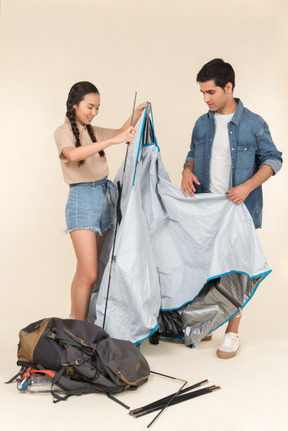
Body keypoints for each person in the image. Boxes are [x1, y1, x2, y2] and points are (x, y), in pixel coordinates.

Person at [181, 59, 283, 359]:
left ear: (229, 87)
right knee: (206, 267)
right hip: (206, 210)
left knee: (237, 270)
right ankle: (207, 324)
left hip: (239, 209)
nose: (206, 99)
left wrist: (247, 186)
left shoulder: (254, 123)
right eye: (202, 92)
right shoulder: (202, 123)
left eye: (210, 92)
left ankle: (232, 333)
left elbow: (273, 160)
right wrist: (187, 171)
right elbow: (190, 155)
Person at [55, 81, 149, 321]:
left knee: (85, 271)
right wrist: (111, 142)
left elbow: (120, 132)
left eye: (97, 108)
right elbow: (73, 154)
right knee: (89, 274)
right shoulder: (63, 131)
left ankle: (76, 321)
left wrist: (136, 113)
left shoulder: (90, 130)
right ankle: (80, 329)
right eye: (89, 107)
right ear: (73, 104)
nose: (93, 113)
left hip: (103, 198)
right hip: (82, 200)